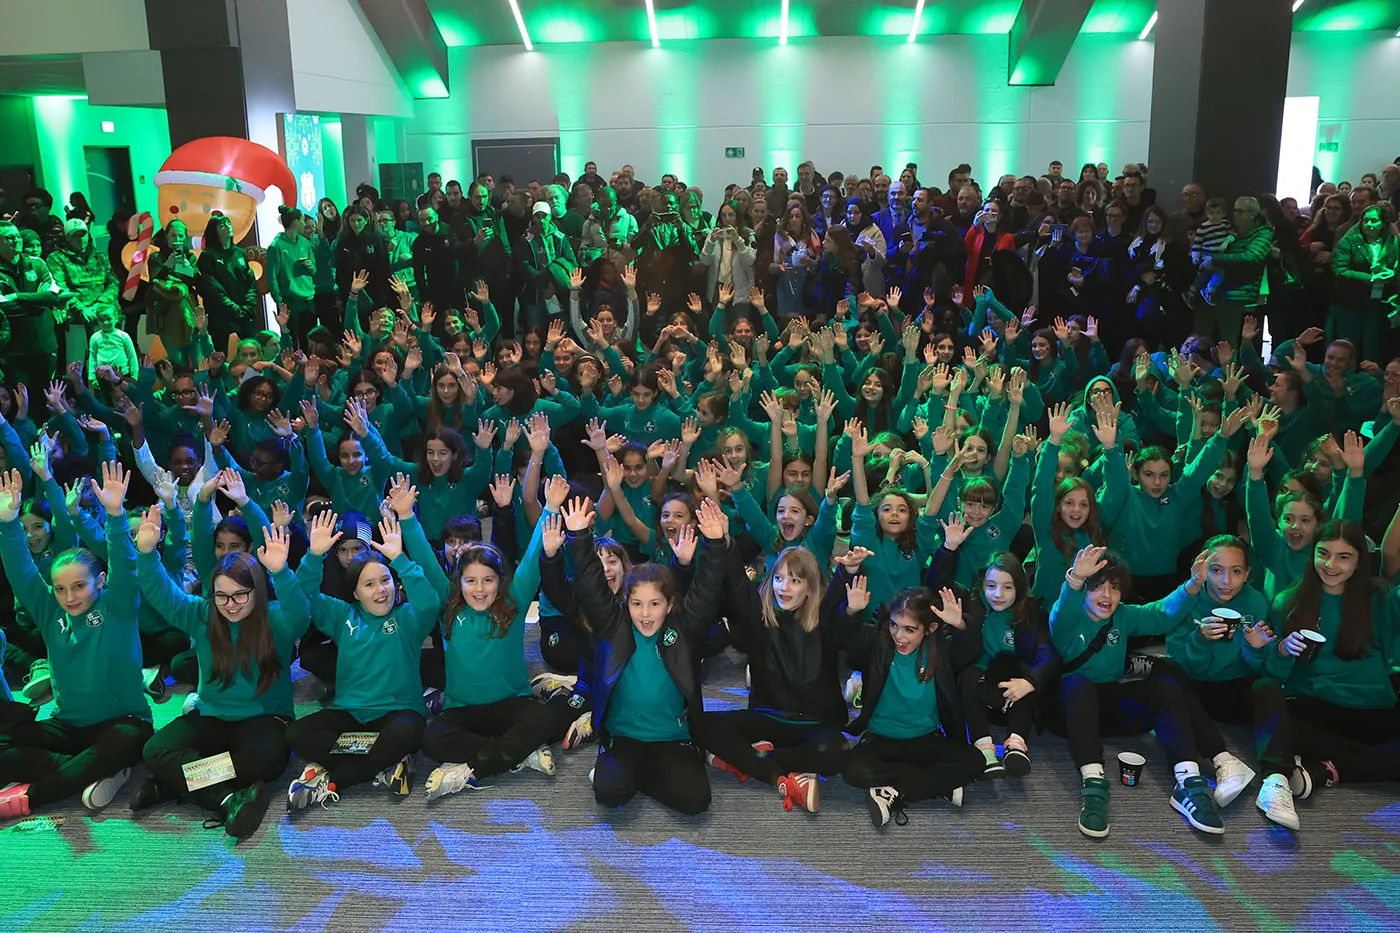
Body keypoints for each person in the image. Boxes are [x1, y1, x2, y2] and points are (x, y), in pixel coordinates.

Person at [130, 518, 309, 838]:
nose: (230, 604)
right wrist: (146, 553)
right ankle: (226, 799)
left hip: (266, 720)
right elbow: (162, 593)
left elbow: (301, 614)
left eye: (241, 595)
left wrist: (281, 572)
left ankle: (177, 784)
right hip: (212, 716)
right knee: (154, 750)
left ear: (257, 590)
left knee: (265, 762)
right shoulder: (201, 613)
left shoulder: (275, 620)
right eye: (221, 596)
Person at [0, 464, 151, 819]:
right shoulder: (51, 612)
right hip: (68, 725)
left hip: (122, 721)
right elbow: (21, 572)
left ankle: (30, 797)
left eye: (79, 586)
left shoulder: (118, 606)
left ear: (100, 582)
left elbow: (126, 565)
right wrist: (7, 523)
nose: (69, 596)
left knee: (129, 741)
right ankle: (98, 770)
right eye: (61, 588)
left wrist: (115, 515)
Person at [565, 496, 727, 815]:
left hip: (672, 736)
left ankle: (640, 776)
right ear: (626, 602)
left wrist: (715, 543)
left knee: (696, 802)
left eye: (655, 604)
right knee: (609, 795)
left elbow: (708, 590)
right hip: (624, 735)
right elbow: (590, 588)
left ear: (670, 604)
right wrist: (579, 537)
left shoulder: (684, 628)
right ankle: (626, 773)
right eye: (637, 604)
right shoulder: (614, 626)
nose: (646, 614)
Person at [1050, 545, 1226, 838]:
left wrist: (1193, 584)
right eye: (1097, 586)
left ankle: (1188, 782)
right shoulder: (1069, 618)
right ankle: (1093, 787)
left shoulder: (1124, 616)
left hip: (1107, 702)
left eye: (1114, 587)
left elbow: (1161, 614)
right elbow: (1062, 611)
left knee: (1164, 687)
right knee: (1077, 684)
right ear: (1084, 589)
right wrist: (1075, 580)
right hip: (1068, 710)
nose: (1106, 595)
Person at [285, 508, 442, 810]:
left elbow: (430, 601)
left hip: (398, 712)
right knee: (297, 734)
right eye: (369, 585)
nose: (380, 590)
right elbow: (303, 595)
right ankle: (385, 763)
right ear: (355, 593)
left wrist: (400, 560)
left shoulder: (407, 618)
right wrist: (314, 556)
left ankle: (332, 781)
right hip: (351, 714)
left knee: (412, 731)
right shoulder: (342, 614)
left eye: (385, 581)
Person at [843, 583, 986, 827]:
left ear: (930, 629)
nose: (899, 636)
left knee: (976, 761)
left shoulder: (940, 651)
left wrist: (961, 626)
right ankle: (936, 784)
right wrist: (851, 613)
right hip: (881, 738)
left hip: (925, 737)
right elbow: (846, 640)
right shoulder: (878, 644)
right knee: (850, 769)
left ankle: (893, 792)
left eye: (910, 629)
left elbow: (971, 650)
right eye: (894, 625)